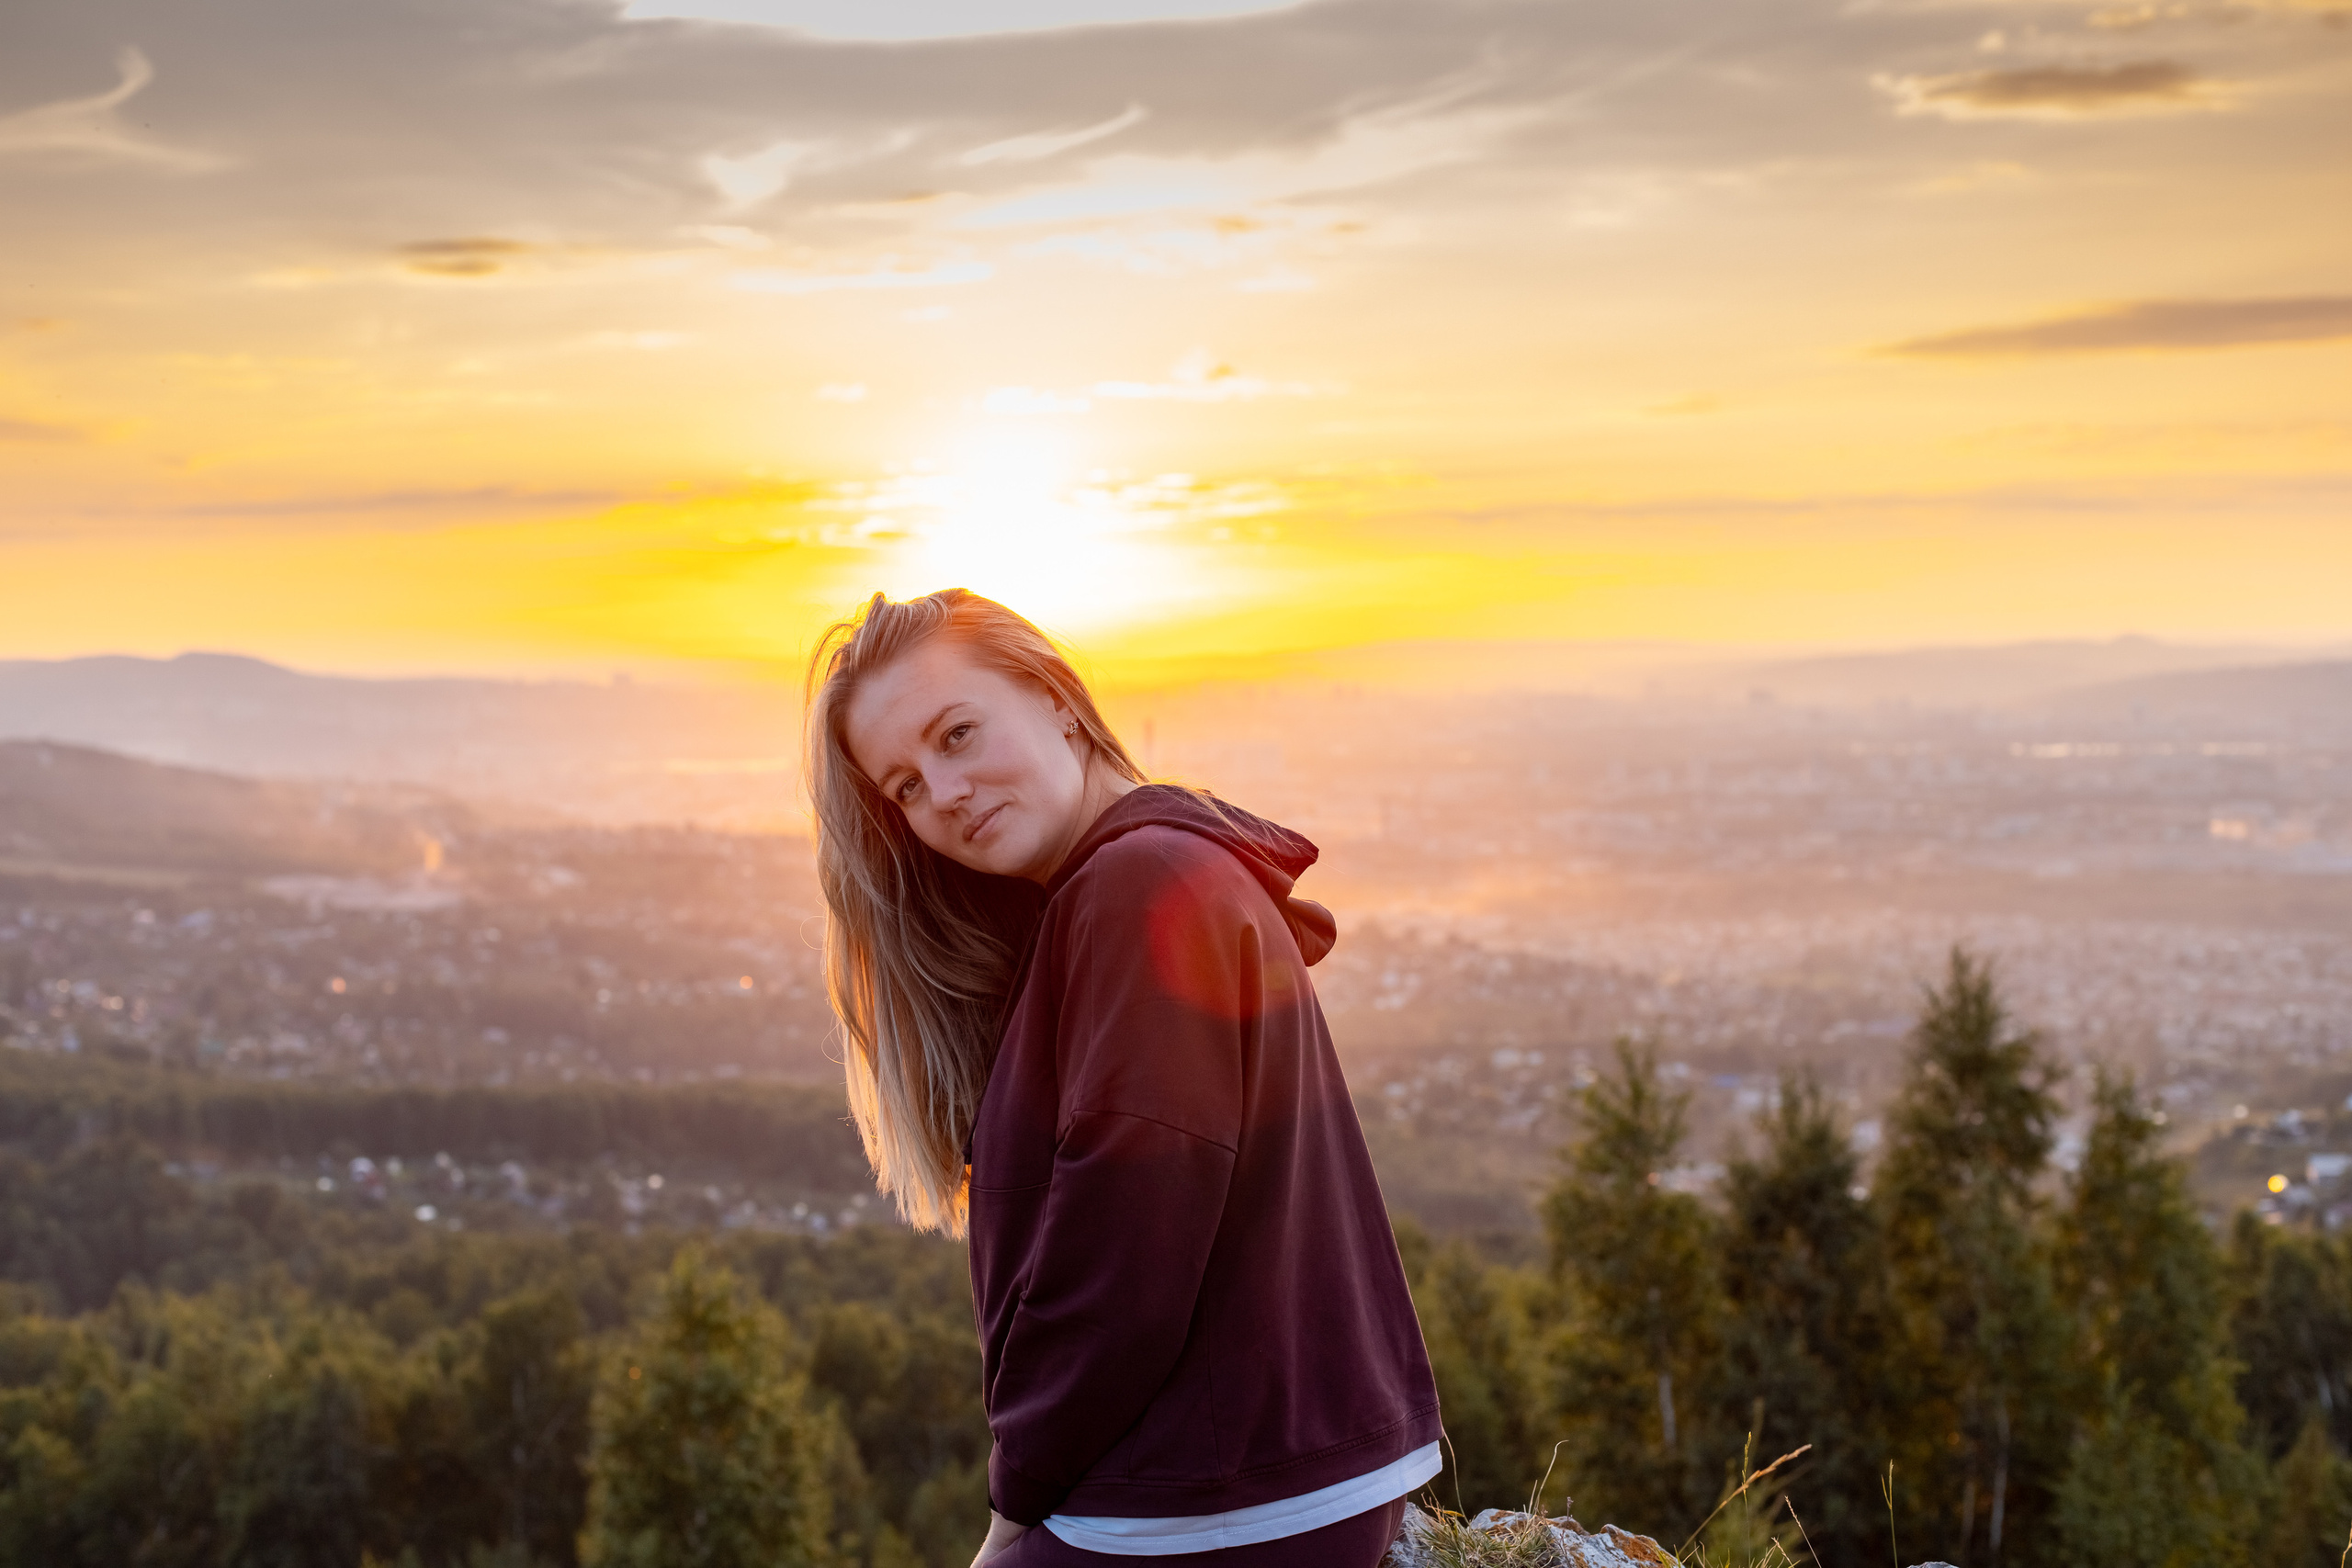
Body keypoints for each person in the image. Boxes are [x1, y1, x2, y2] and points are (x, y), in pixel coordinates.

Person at [805, 589, 1441, 1568]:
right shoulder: (1126, 886)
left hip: (1222, 1499)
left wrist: (1012, 1509)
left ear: (1056, 696)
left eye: (959, 734)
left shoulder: (1136, 887)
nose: (945, 793)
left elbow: (1123, 1242)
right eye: (905, 788)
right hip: (1237, 1482)